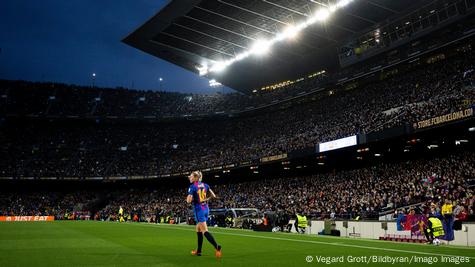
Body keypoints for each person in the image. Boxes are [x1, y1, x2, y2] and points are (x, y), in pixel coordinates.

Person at [187, 171, 222, 258]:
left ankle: (217, 246)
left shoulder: (192, 187)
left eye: (191, 176)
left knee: (205, 231)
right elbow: (213, 195)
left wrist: (189, 197)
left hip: (199, 211)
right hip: (206, 209)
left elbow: (188, 201)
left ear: (195, 178)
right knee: (198, 230)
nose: (189, 178)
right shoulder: (205, 185)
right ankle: (199, 251)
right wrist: (206, 199)